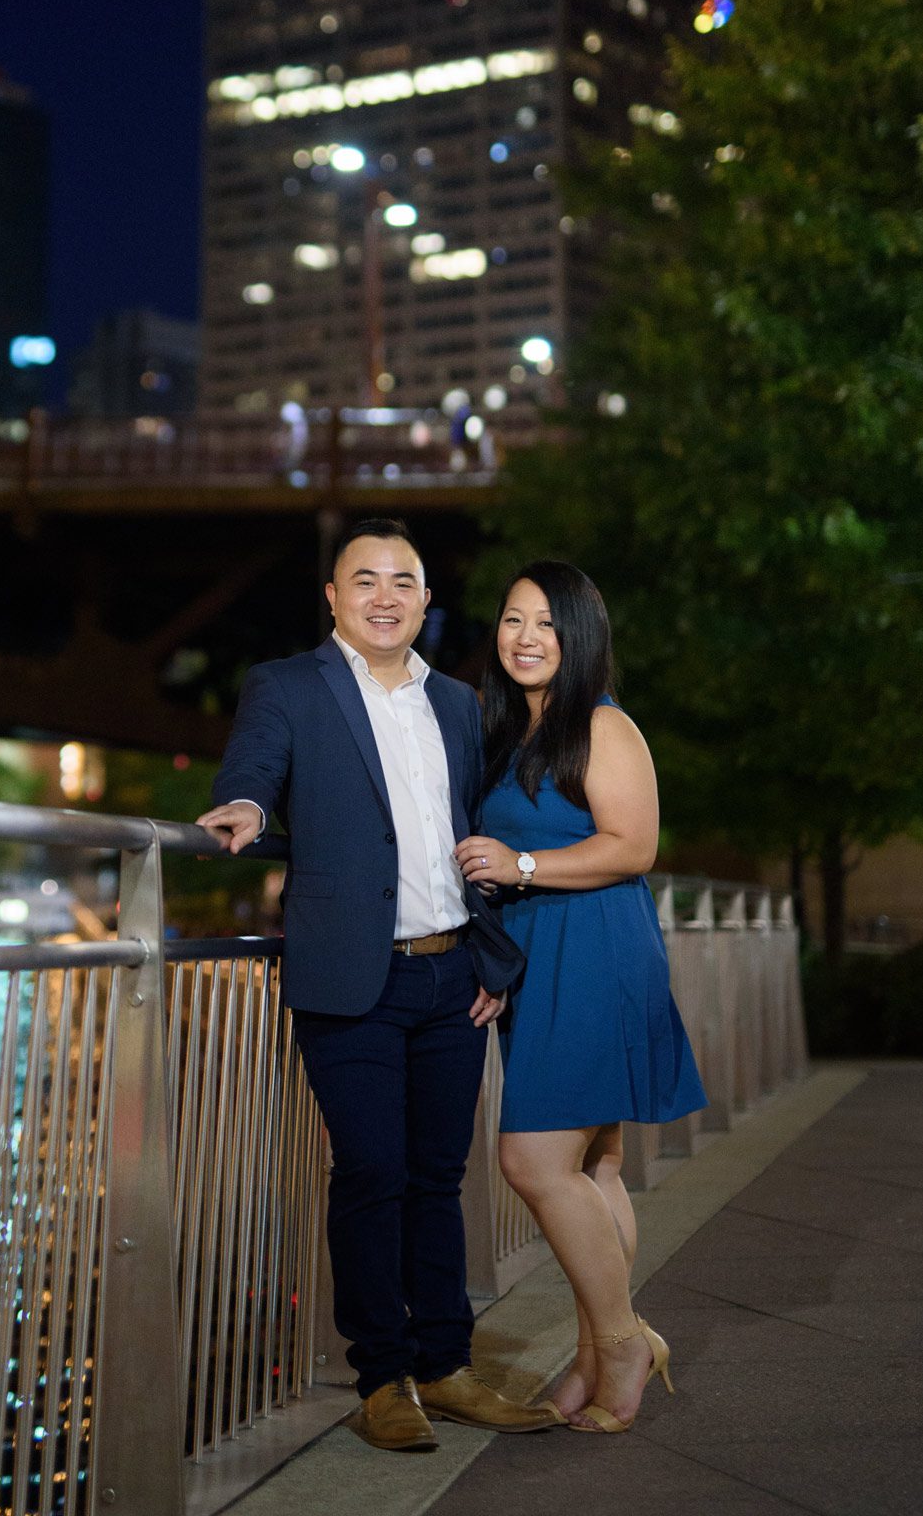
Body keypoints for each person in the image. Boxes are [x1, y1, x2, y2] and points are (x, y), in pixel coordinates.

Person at [197, 518, 560, 1453]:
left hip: (452, 977)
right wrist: (244, 802)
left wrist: (491, 957)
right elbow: (255, 768)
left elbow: (481, 827)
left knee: (438, 1178)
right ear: (332, 595)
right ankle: (381, 1380)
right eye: (365, 580)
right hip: (350, 976)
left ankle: (445, 1368)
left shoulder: (460, 703)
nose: (385, 596)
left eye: (404, 580)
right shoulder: (287, 685)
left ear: (427, 600)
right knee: (370, 1174)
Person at [453, 560, 706, 1435]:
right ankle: (597, 1359)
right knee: (593, 1164)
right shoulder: (512, 733)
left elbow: (631, 847)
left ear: (579, 637)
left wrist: (519, 864)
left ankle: (622, 1340)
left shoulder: (603, 726)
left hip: (595, 949)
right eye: (513, 620)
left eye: (547, 625)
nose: (526, 639)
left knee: (532, 1161)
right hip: (538, 958)